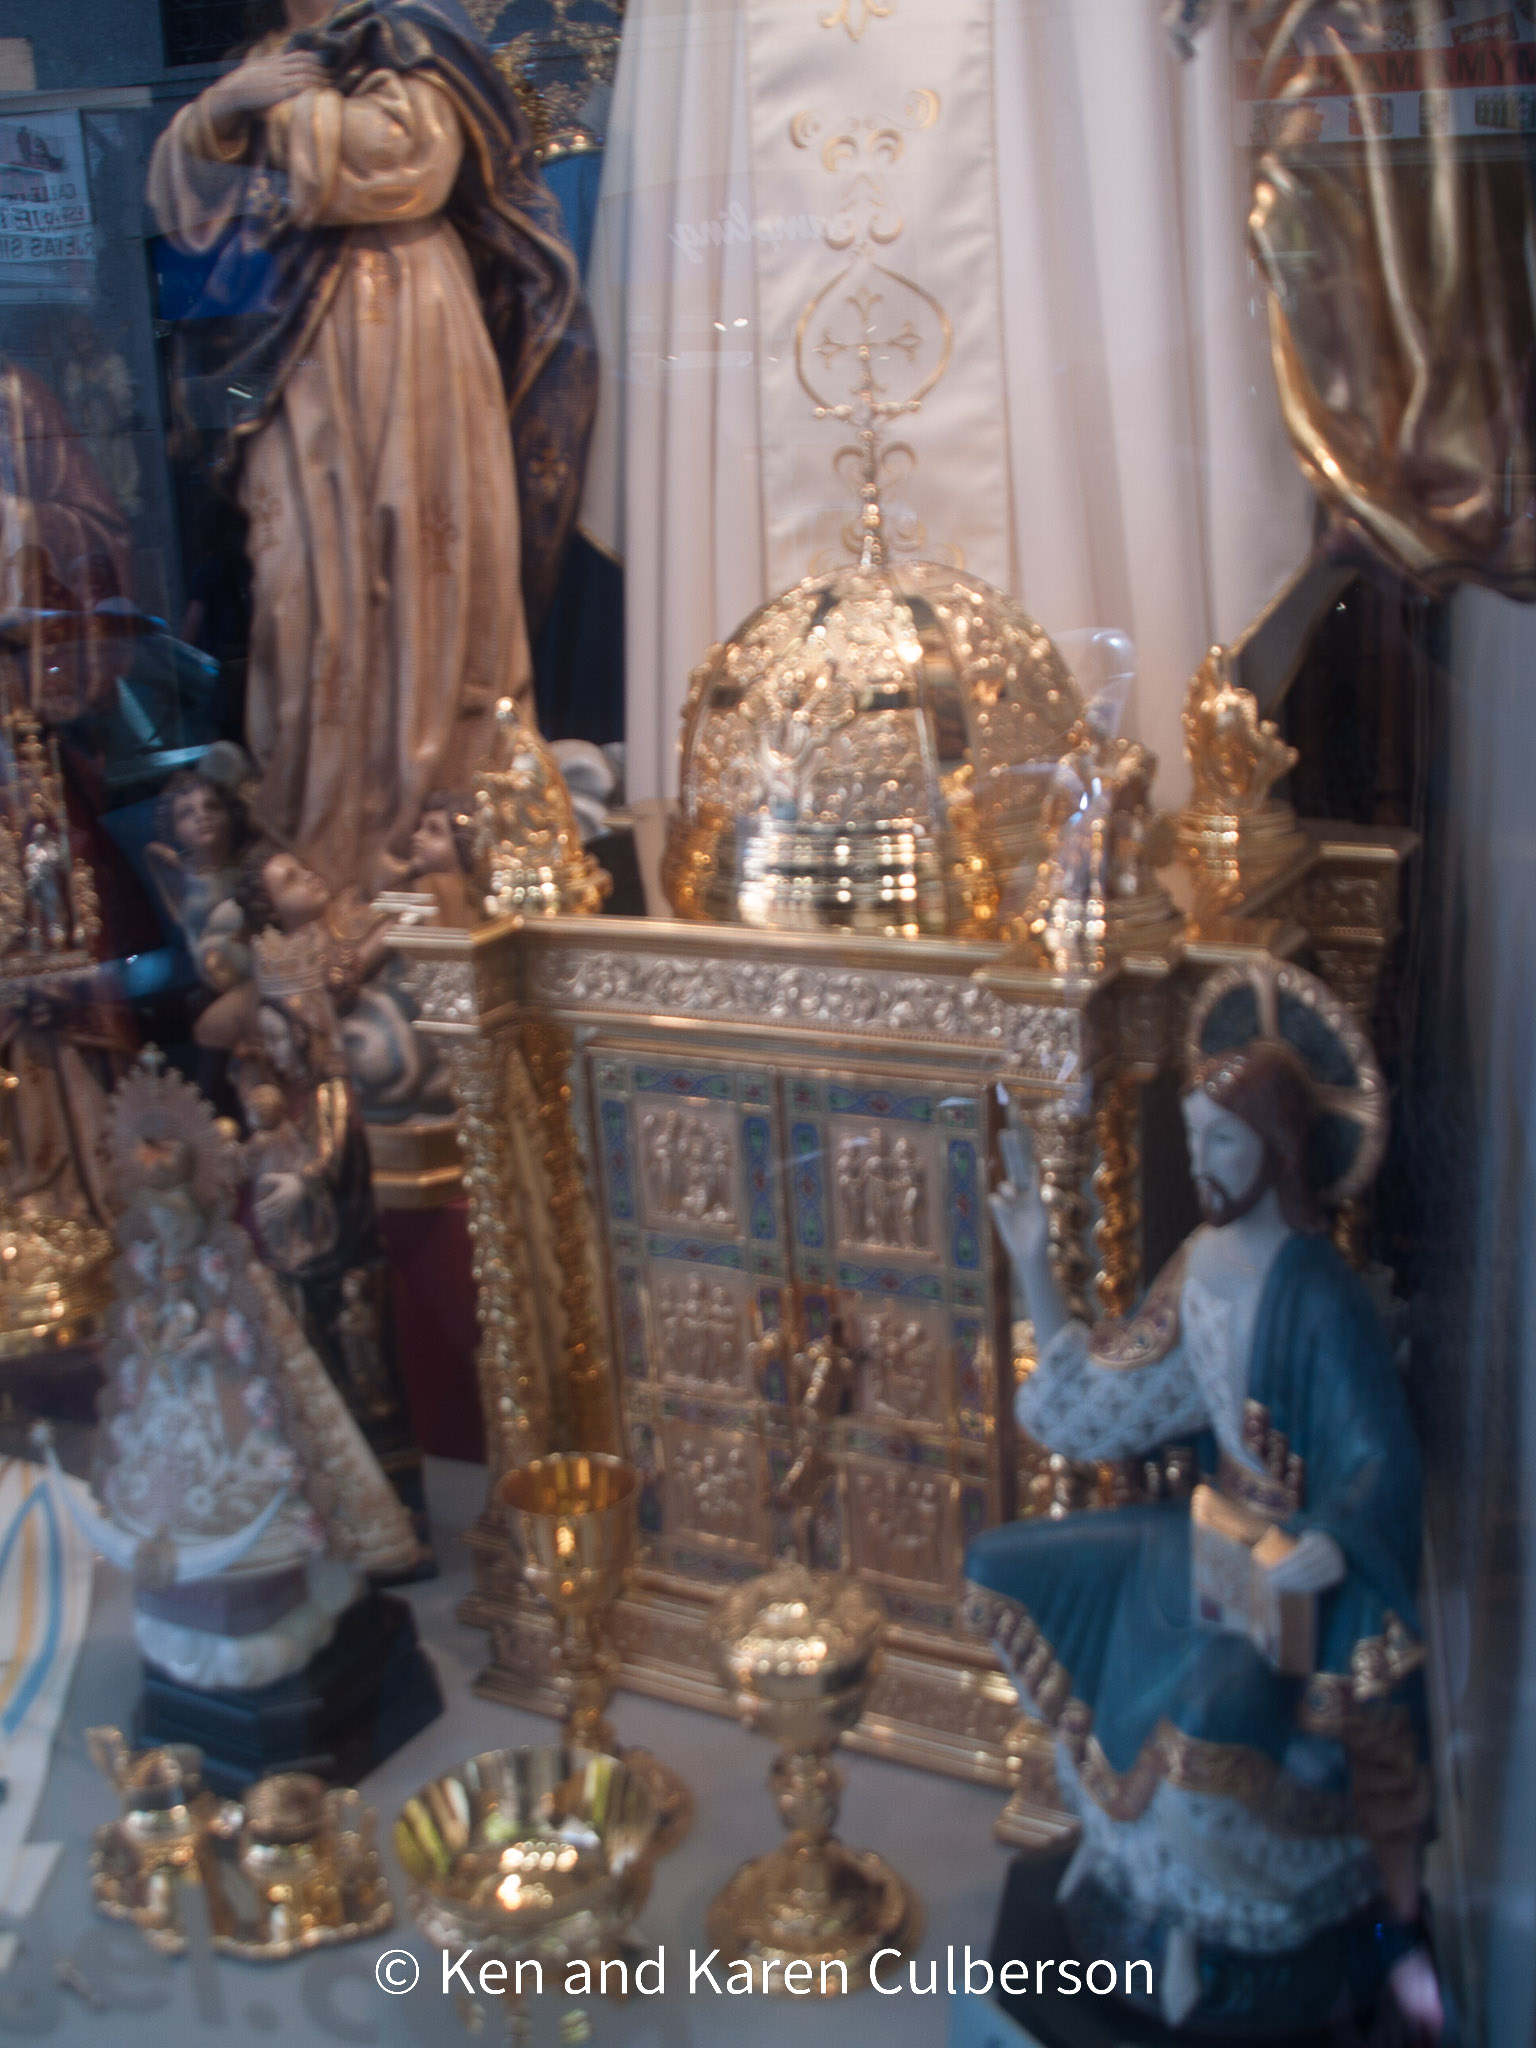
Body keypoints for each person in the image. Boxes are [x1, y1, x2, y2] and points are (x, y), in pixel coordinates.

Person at [967, 961, 1441, 2041]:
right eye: (1194, 1139)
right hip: (1211, 1541)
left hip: (1292, 1576)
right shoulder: (1202, 1264)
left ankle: (1200, 1922)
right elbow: (1106, 1399)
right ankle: (1126, 1870)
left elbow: (1381, 1456)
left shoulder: (1318, 1294)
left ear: (1278, 1149)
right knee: (1010, 1565)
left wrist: (1331, 1538)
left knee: (1210, 1714)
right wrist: (1035, 1266)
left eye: (1221, 1141)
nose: (1200, 1162)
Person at [146, 0, 595, 896]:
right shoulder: (267, 59)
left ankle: (436, 844)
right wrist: (219, 109)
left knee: (426, 572)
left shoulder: (409, 34)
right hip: (290, 360)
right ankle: (320, 849)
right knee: (296, 591)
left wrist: (276, 113)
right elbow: (175, 206)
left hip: (406, 327)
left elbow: (406, 163)